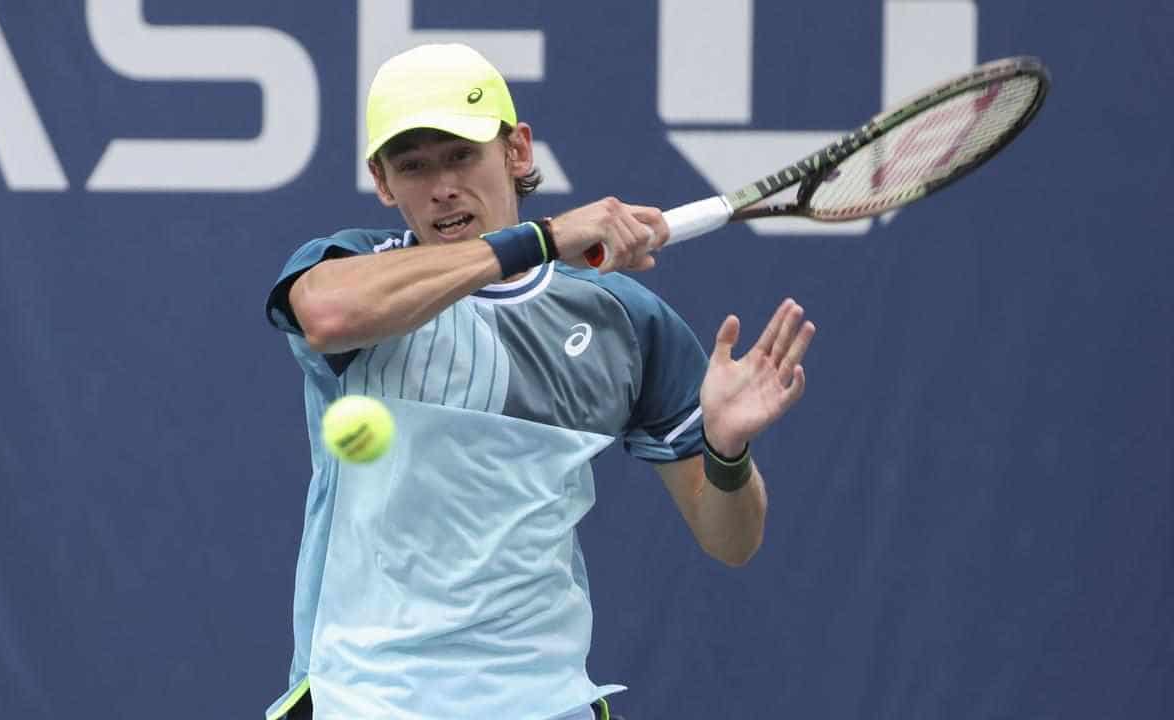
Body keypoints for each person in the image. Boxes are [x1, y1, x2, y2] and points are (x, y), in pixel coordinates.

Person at [263, 43, 816, 720]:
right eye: (413, 166)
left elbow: (730, 541)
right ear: (382, 182)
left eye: (462, 156)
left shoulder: (627, 322)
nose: (441, 187)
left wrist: (729, 455)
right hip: (366, 700)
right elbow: (326, 314)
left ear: (517, 152)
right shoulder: (352, 270)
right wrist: (544, 237)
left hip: (543, 705)